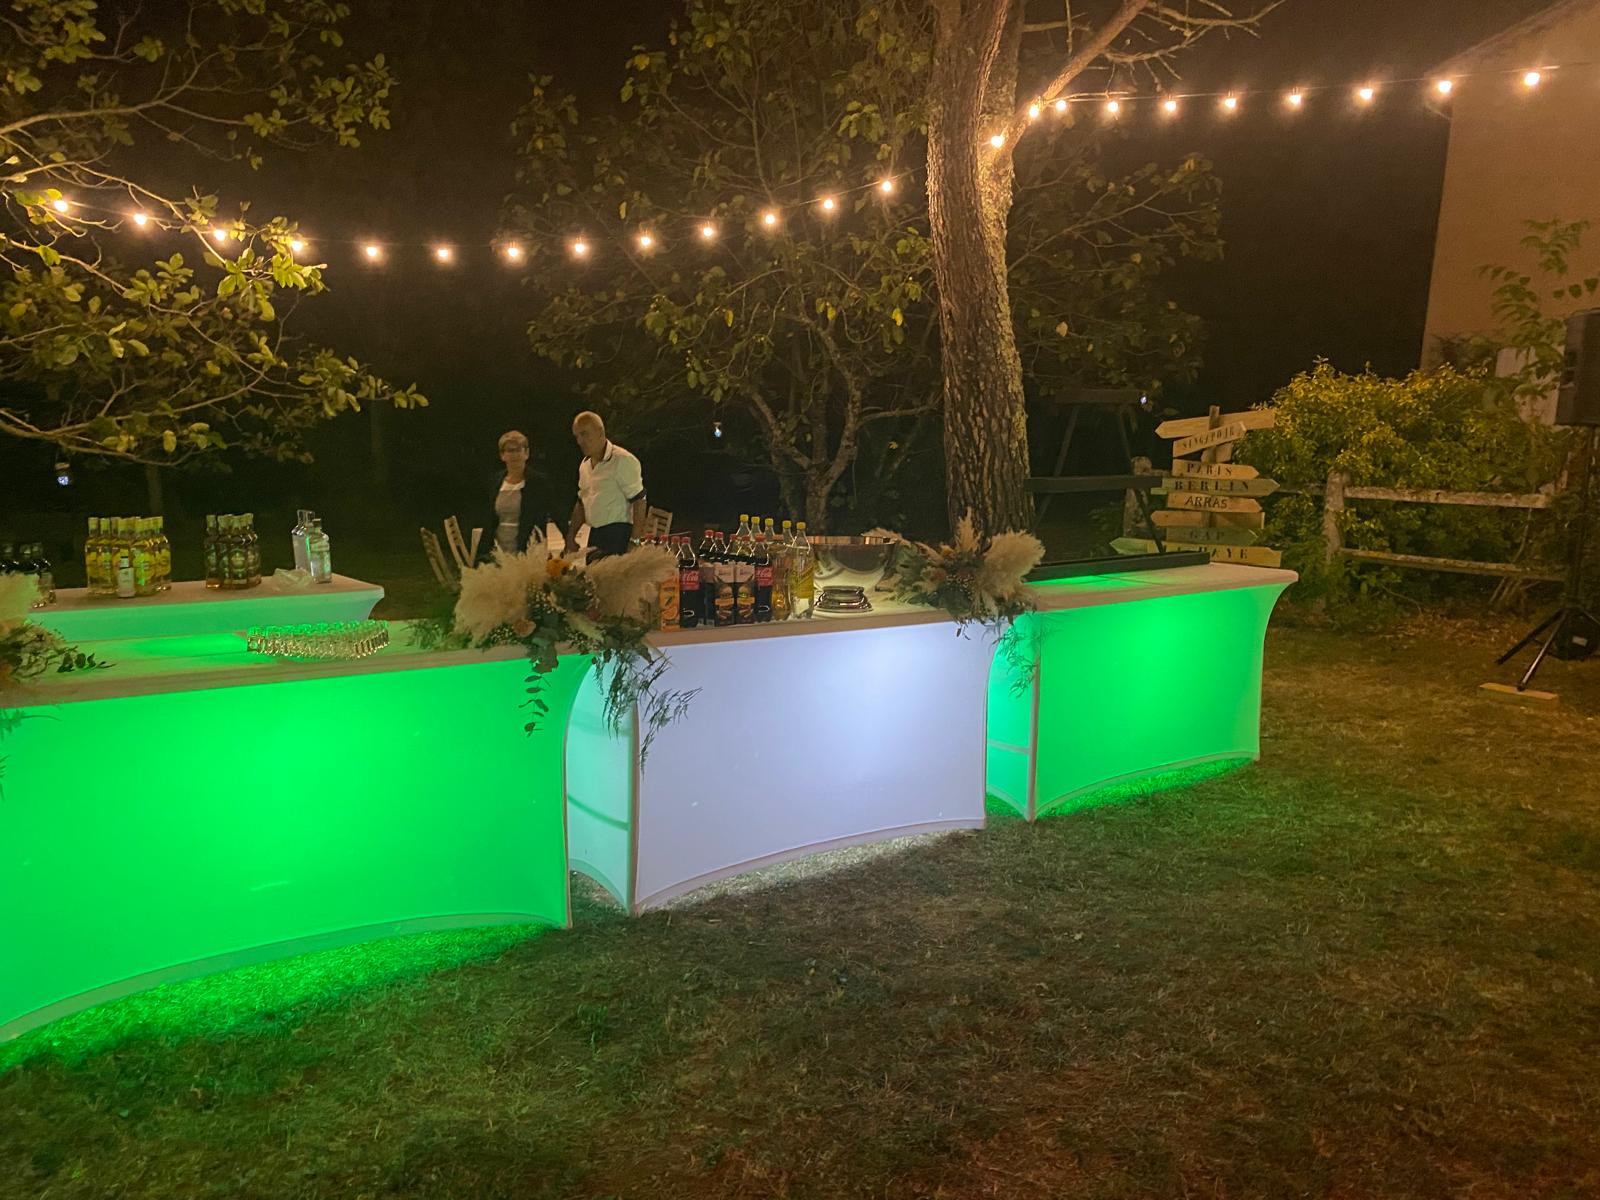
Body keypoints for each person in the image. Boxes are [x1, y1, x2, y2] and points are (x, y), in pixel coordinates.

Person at [568, 411, 646, 559]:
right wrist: (571, 536)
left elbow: (639, 500)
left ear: (600, 432)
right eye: (577, 436)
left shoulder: (622, 460)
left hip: (619, 535)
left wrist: (635, 540)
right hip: (594, 534)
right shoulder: (585, 465)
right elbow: (581, 502)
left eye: (584, 434)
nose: (580, 441)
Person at [476, 429, 552, 563]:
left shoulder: (538, 483)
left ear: (526, 453)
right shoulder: (495, 482)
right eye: (510, 450)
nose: (514, 454)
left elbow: (554, 511)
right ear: (502, 455)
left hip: (528, 552)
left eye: (519, 449)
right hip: (498, 552)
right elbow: (490, 519)